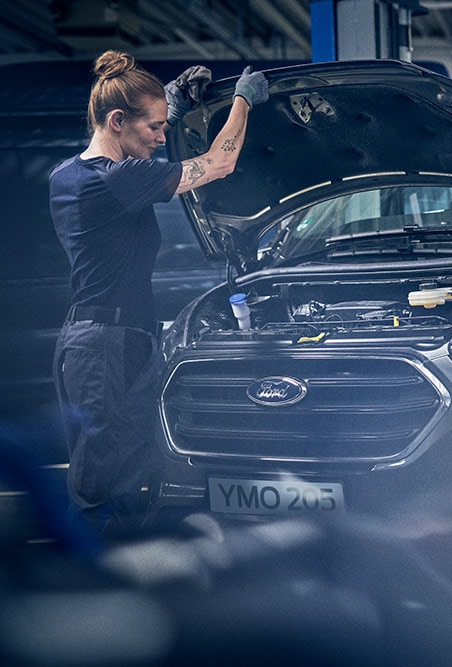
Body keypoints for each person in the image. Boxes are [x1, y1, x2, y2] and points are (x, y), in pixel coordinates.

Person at [49, 50, 269, 538]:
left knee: (126, 474)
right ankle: (90, 588)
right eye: (155, 128)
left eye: (164, 127)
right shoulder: (117, 181)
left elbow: (131, 141)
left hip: (103, 340)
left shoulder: (69, 175)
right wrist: (243, 101)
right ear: (116, 120)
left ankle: (123, 573)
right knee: (102, 483)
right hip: (107, 345)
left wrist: (168, 102)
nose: (161, 137)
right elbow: (220, 162)